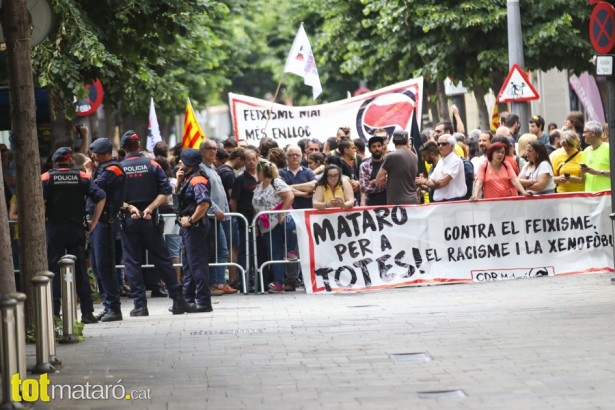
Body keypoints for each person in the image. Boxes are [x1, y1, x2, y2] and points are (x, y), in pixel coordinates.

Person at [119, 130, 194, 316]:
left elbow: (111, 197)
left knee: (132, 263)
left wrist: (129, 208)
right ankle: (178, 300)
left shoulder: (118, 168)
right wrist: (150, 209)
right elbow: (166, 190)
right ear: (138, 146)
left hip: (130, 220)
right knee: (162, 260)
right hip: (150, 220)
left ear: (123, 148)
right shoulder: (152, 164)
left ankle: (140, 306)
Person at [42, 147, 106, 324]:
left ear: (55, 162)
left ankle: (54, 313)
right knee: (80, 270)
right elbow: (101, 197)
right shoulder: (82, 177)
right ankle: (87, 312)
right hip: (76, 229)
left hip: (54, 229)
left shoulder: (46, 177)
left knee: (54, 269)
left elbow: (37, 201)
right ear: (70, 161)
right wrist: (93, 222)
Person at [88, 138, 126, 322]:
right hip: (98, 223)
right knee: (97, 266)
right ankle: (108, 305)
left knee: (105, 265)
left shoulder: (113, 169)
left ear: (102, 153)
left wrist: (88, 171)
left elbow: (94, 188)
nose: (92, 156)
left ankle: (114, 308)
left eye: (94, 153)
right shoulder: (104, 168)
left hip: (106, 222)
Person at [176, 148, 214, 312]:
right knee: (189, 265)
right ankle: (188, 299)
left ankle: (203, 301)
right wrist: (178, 181)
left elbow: (204, 203)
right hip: (189, 227)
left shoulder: (197, 179)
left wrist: (191, 220)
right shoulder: (188, 177)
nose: (179, 162)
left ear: (188, 163)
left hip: (194, 227)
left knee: (197, 264)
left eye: (182, 160)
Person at [199, 139, 236, 295]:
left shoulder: (213, 168)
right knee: (218, 250)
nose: (213, 151)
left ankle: (219, 282)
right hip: (210, 216)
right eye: (209, 148)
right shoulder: (201, 169)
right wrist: (215, 210)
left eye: (215, 149)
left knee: (221, 250)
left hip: (218, 217)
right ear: (201, 151)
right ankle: (217, 283)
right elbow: (203, 194)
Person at [252, 162, 296, 294]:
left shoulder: (276, 182)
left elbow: (290, 196)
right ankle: (278, 283)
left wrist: (281, 213)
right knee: (275, 253)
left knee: (282, 251)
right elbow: (255, 206)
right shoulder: (258, 187)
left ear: (260, 172)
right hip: (266, 224)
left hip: (280, 220)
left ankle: (291, 250)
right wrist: (256, 223)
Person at [229, 149, 259, 288]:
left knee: (259, 249)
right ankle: (244, 279)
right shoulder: (241, 179)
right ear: (243, 161)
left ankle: (259, 277)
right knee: (245, 249)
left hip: (260, 218)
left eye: (254, 159)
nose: (251, 162)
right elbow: (233, 201)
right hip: (245, 218)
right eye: (248, 159)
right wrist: (237, 218)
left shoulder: (262, 176)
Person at [415, 134, 466, 202]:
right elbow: (432, 183)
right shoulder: (441, 161)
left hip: (453, 202)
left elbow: (441, 183)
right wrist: (424, 183)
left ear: (452, 146)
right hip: (441, 203)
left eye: (443, 144)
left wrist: (425, 181)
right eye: (438, 144)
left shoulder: (456, 161)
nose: (440, 146)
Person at [376, 130, 419, 205]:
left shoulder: (391, 156)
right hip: (413, 201)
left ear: (393, 141)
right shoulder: (414, 156)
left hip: (396, 202)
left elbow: (378, 179)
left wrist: (386, 180)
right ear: (407, 141)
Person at [280, 144, 315, 209]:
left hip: (305, 211)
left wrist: (290, 187)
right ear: (286, 157)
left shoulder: (308, 172)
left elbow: (313, 185)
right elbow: (282, 191)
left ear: (301, 157)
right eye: (292, 155)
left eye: (297, 155)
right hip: (288, 212)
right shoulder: (281, 173)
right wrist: (303, 193)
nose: (295, 157)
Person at [581, 121, 611, 192]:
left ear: (593, 133)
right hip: (589, 195)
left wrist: (598, 172)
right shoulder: (586, 151)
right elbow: (584, 178)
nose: (583, 135)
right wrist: (582, 172)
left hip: (606, 196)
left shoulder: (609, 148)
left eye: (585, 132)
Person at [359, 133, 387, 206]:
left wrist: (374, 182)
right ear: (369, 149)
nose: (377, 149)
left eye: (379, 146)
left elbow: (393, 185)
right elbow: (364, 188)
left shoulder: (389, 163)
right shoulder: (364, 166)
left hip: (389, 205)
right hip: (371, 206)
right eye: (374, 146)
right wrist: (382, 184)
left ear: (383, 147)